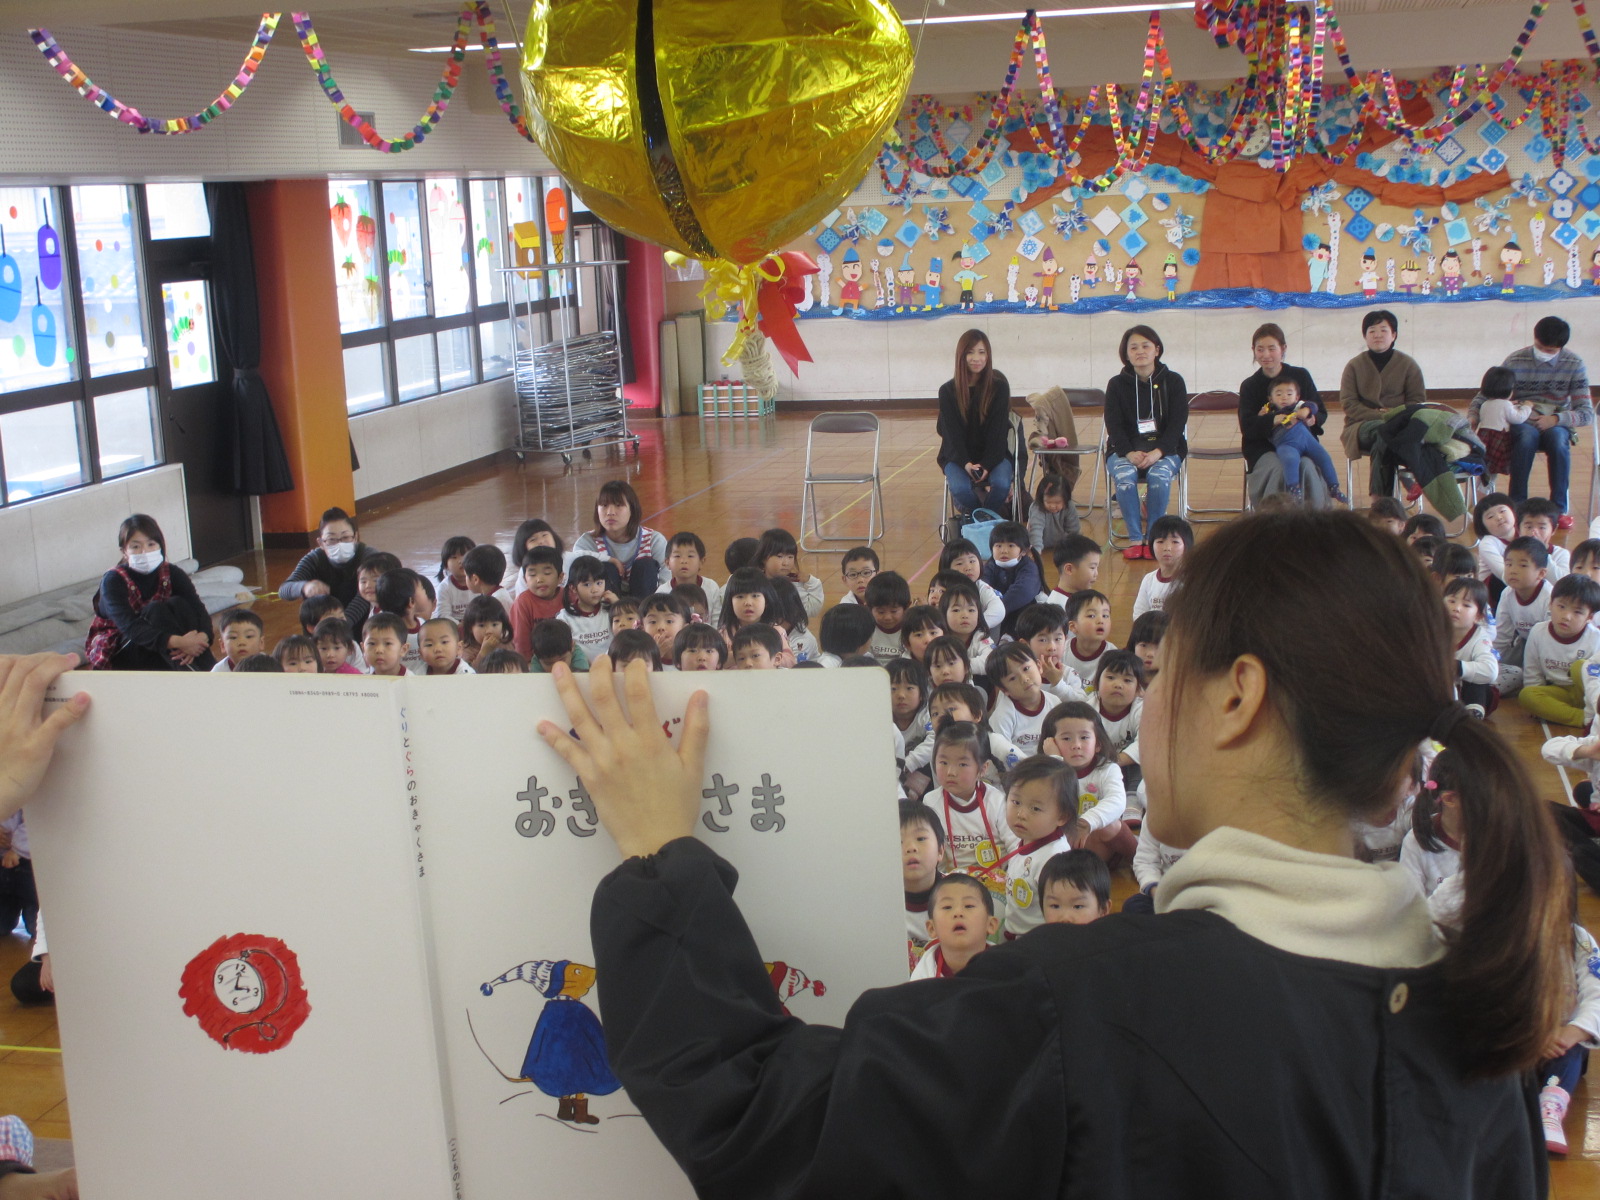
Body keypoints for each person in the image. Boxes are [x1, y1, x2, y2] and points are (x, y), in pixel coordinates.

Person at [533, 506, 1563, 1197]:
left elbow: (758, 1119)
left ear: (1236, 697)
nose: (1143, 702)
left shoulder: (1077, 1006)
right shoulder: (1475, 1023)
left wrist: (663, 852)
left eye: (1164, 672)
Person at [1478, 315, 1594, 523]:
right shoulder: (1516, 360)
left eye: (1550, 351)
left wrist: (1557, 419)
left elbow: (1586, 413)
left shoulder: (1574, 364)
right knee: (1525, 438)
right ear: (1534, 339)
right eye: (1540, 347)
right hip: (1522, 419)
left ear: (1561, 347)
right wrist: (1472, 415)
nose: (1544, 354)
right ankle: (1517, 504)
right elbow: (1488, 392)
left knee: (1559, 442)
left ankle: (1558, 508)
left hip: (1555, 420)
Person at [87, 515, 215, 672]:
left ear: (160, 546)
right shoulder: (113, 580)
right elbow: (130, 626)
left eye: (150, 544)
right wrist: (180, 643)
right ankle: (194, 675)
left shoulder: (173, 573)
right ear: (124, 551)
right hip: (123, 650)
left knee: (179, 604)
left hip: (162, 646)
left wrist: (201, 638)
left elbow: (198, 609)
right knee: (155, 610)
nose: (144, 551)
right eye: (135, 547)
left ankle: (212, 672)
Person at [1106, 325, 1188, 560]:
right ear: (1126, 353)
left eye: (1146, 346)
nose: (1140, 351)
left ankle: (1154, 538)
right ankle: (1134, 538)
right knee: (1124, 478)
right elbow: (1114, 425)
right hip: (1125, 450)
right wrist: (1129, 453)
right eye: (1133, 347)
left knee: (1159, 478)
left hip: (1165, 449)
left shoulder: (1173, 381)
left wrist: (1158, 452)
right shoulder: (1116, 384)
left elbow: (1177, 424)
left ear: (1157, 350)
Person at [1238, 323, 1331, 508]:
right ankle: (1272, 522)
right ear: (1253, 351)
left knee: (1305, 465)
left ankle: (1314, 520)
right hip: (1263, 447)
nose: (1266, 355)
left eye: (1272, 348)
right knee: (1278, 468)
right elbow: (1247, 426)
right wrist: (1272, 419)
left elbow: (1320, 412)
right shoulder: (1249, 385)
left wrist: (1312, 419)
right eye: (1260, 349)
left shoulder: (1301, 376)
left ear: (1283, 349)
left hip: (1300, 442)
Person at [1338, 310, 1427, 502]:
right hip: (1360, 426)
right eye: (1372, 330)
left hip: (1398, 427)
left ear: (1394, 335)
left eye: (1383, 330)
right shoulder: (1354, 366)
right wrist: (1383, 417)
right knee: (1384, 430)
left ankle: (1380, 501)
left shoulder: (1408, 365)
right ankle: (1405, 482)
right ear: (1365, 336)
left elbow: (1417, 402)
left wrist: (1397, 417)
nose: (1377, 335)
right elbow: (1349, 404)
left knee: (1384, 437)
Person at [936, 329, 1014, 516]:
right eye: (970, 352)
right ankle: (983, 521)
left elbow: (998, 433)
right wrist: (966, 464)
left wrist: (986, 465)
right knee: (961, 489)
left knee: (1002, 484)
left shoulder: (1000, 388)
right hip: (957, 458)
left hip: (993, 456)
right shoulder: (947, 391)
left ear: (988, 356)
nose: (976, 358)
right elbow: (951, 435)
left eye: (981, 352)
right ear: (961, 357)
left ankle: (978, 521)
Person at [999, 756, 1075, 938]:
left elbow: (1061, 917)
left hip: (1036, 943)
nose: (1021, 814)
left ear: (1062, 817)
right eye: (1016, 802)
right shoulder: (1030, 838)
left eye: (1035, 808)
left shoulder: (1054, 858)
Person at [1516, 575, 1600, 726]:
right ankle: (1584, 719)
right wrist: (1537, 705)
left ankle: (1590, 714)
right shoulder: (1538, 632)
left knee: (1580, 666)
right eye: (1561, 606)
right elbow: (1532, 672)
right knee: (1527, 695)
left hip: (1588, 692)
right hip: (1558, 693)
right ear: (1550, 604)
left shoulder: (1595, 638)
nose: (1566, 616)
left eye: (1577, 612)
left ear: (1590, 617)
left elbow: (1596, 681)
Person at [1257, 376, 1350, 506]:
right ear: (1271, 399)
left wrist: (1305, 411)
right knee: (1290, 459)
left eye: (1289, 394)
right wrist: (1265, 418)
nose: (1284, 397)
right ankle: (1294, 489)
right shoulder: (1269, 411)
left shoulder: (1299, 406)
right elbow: (1260, 426)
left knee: (1324, 457)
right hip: (1286, 443)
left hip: (1307, 440)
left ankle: (1334, 487)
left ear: (1296, 397)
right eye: (1279, 394)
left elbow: (1313, 406)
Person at [571, 480, 668, 600]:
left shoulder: (654, 541)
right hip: (604, 611)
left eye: (618, 505)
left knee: (645, 565)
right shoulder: (587, 544)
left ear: (632, 509)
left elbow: (666, 585)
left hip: (648, 610)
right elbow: (577, 585)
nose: (610, 512)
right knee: (606, 567)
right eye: (604, 505)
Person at [908, 874, 998, 980]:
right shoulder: (923, 975)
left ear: (990, 925)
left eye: (969, 906)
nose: (958, 913)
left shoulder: (1004, 967)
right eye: (947, 907)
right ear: (932, 928)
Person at [276, 507, 371, 604]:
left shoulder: (368, 556)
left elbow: (367, 596)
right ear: (321, 543)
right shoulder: (315, 559)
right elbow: (284, 590)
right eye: (332, 539)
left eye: (346, 537)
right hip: (325, 616)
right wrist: (304, 587)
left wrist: (342, 619)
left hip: (364, 618)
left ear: (355, 538)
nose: (339, 544)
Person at [1445, 577, 1497, 717]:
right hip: (1442, 690)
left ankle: (1472, 715)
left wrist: (1458, 667)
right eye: (1452, 601)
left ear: (1478, 616)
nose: (1456, 608)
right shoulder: (1432, 631)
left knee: (1477, 681)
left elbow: (1491, 671)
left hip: (1468, 693)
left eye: (1466, 605)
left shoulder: (1480, 638)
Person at [1471, 366, 1530, 486]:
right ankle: (1485, 496)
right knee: (1492, 473)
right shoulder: (1506, 405)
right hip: (1499, 440)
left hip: (1485, 439)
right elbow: (1518, 418)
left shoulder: (1485, 404)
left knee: (1487, 470)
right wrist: (1528, 407)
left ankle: (1479, 495)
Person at [753, 529, 824, 620]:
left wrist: (812, 582)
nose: (786, 563)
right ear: (764, 558)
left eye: (790, 557)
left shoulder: (795, 584)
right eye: (780, 556)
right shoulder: (754, 584)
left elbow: (811, 610)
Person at [1132, 515, 1191, 620]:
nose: (1167, 548)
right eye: (1160, 542)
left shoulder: (1191, 581)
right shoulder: (1148, 580)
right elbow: (1139, 615)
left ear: (1186, 546)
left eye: (1175, 542)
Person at [1038, 850, 1112, 925]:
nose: (1065, 918)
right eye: (1055, 906)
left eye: (1078, 906)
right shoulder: (1037, 936)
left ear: (1103, 910)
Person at [432, 536, 476, 624]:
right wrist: (460, 625)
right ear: (445, 565)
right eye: (454, 557)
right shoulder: (444, 587)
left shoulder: (479, 582)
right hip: (454, 628)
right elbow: (443, 615)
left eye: (465, 556)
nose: (460, 561)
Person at [210, 608, 264, 673]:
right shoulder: (218, 673)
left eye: (249, 636)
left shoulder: (269, 665)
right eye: (233, 637)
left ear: (261, 642)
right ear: (223, 645)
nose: (241, 642)